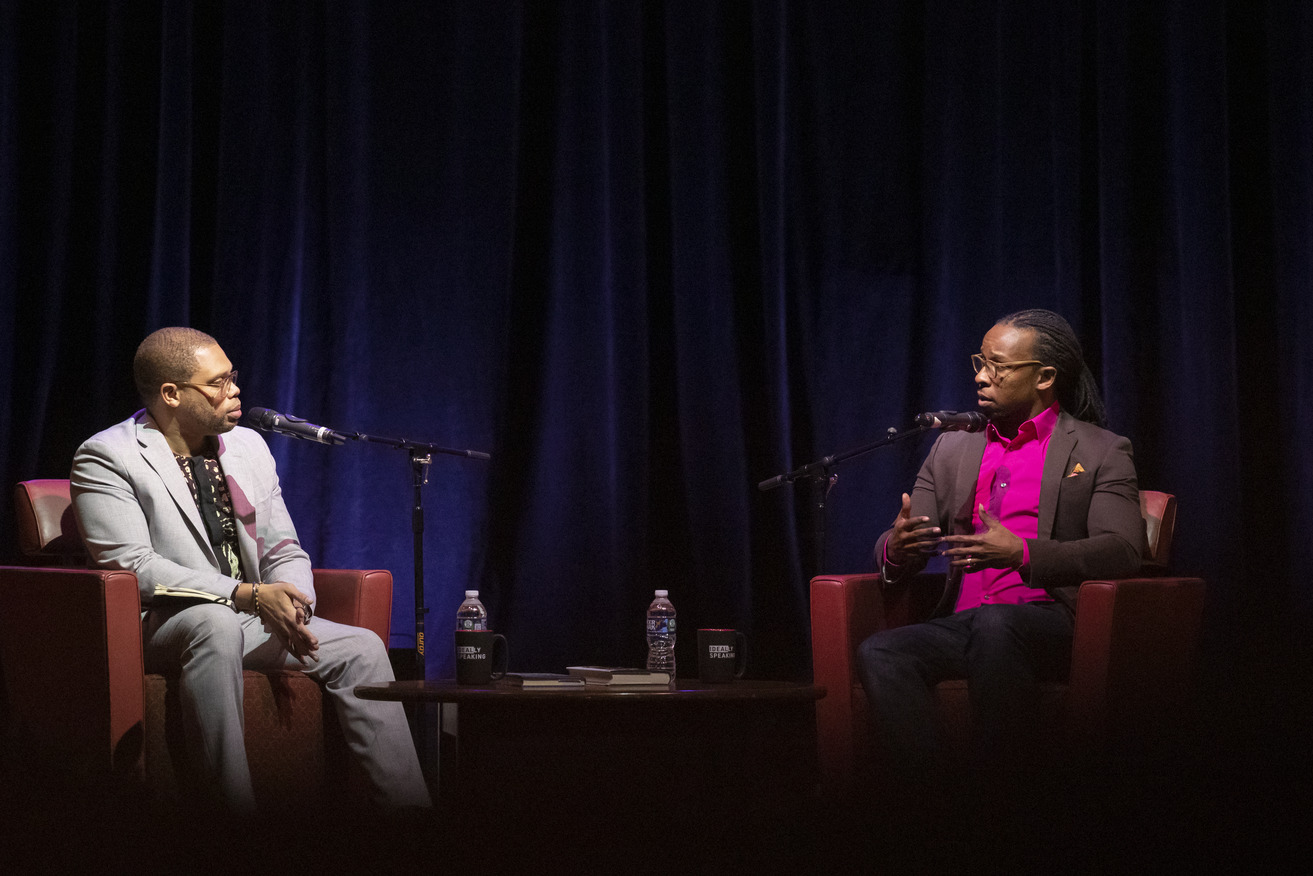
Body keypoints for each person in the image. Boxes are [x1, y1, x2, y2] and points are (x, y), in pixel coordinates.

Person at [71, 327, 431, 811]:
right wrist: (250, 596)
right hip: (160, 623)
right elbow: (134, 567)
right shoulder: (107, 456)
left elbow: (283, 547)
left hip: (248, 614)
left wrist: (295, 603)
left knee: (361, 648)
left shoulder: (247, 446)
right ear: (171, 394)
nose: (235, 390)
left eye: (232, 376)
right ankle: (234, 819)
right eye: (217, 383)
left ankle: (412, 818)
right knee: (214, 623)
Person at [856, 309, 1146, 789]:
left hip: (1052, 621)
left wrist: (1024, 554)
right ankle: (934, 799)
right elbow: (903, 537)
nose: (980, 376)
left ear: (1045, 377)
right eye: (980, 362)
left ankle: (1004, 798)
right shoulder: (952, 448)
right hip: (966, 622)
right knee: (881, 650)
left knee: (998, 624)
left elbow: (1123, 550)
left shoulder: (1100, 450)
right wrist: (898, 547)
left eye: (998, 366)